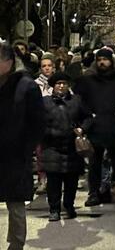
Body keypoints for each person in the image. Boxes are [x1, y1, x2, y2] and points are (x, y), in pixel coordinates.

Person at [0, 42, 45, 250]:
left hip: (16, 156)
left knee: (16, 206)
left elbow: (38, 122)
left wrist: (25, 149)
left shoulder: (26, 86)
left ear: (9, 62)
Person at [74, 47, 115, 207]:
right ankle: (94, 193)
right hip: (96, 126)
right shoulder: (88, 80)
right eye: (100, 60)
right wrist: (88, 117)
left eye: (105, 59)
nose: (102, 62)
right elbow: (80, 100)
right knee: (94, 163)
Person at [40, 72, 92, 222]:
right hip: (52, 147)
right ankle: (54, 209)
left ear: (68, 85)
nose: (61, 86)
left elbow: (88, 117)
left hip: (73, 147)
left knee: (71, 181)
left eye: (64, 83)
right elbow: (38, 121)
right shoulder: (45, 102)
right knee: (53, 182)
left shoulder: (77, 101)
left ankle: (69, 206)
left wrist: (82, 128)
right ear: (53, 86)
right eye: (58, 83)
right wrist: (47, 133)